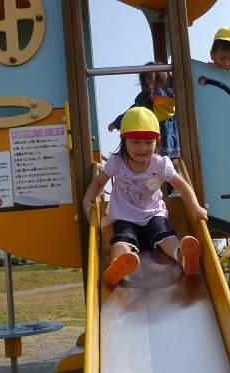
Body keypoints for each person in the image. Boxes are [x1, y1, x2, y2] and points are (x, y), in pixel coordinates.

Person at [84, 107, 208, 285]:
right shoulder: (117, 162)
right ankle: (117, 265)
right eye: (135, 142)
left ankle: (182, 256)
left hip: (153, 213)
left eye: (149, 142)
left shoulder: (160, 164)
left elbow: (181, 185)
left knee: (163, 234)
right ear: (124, 141)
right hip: (124, 216)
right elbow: (98, 182)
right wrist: (87, 200)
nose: (142, 148)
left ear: (157, 141)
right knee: (123, 239)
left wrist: (195, 207)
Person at [109, 62, 180, 159]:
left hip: (153, 142)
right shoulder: (169, 98)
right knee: (168, 163)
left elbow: (132, 113)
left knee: (153, 162)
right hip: (170, 142)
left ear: (144, 81)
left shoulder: (145, 97)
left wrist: (116, 123)